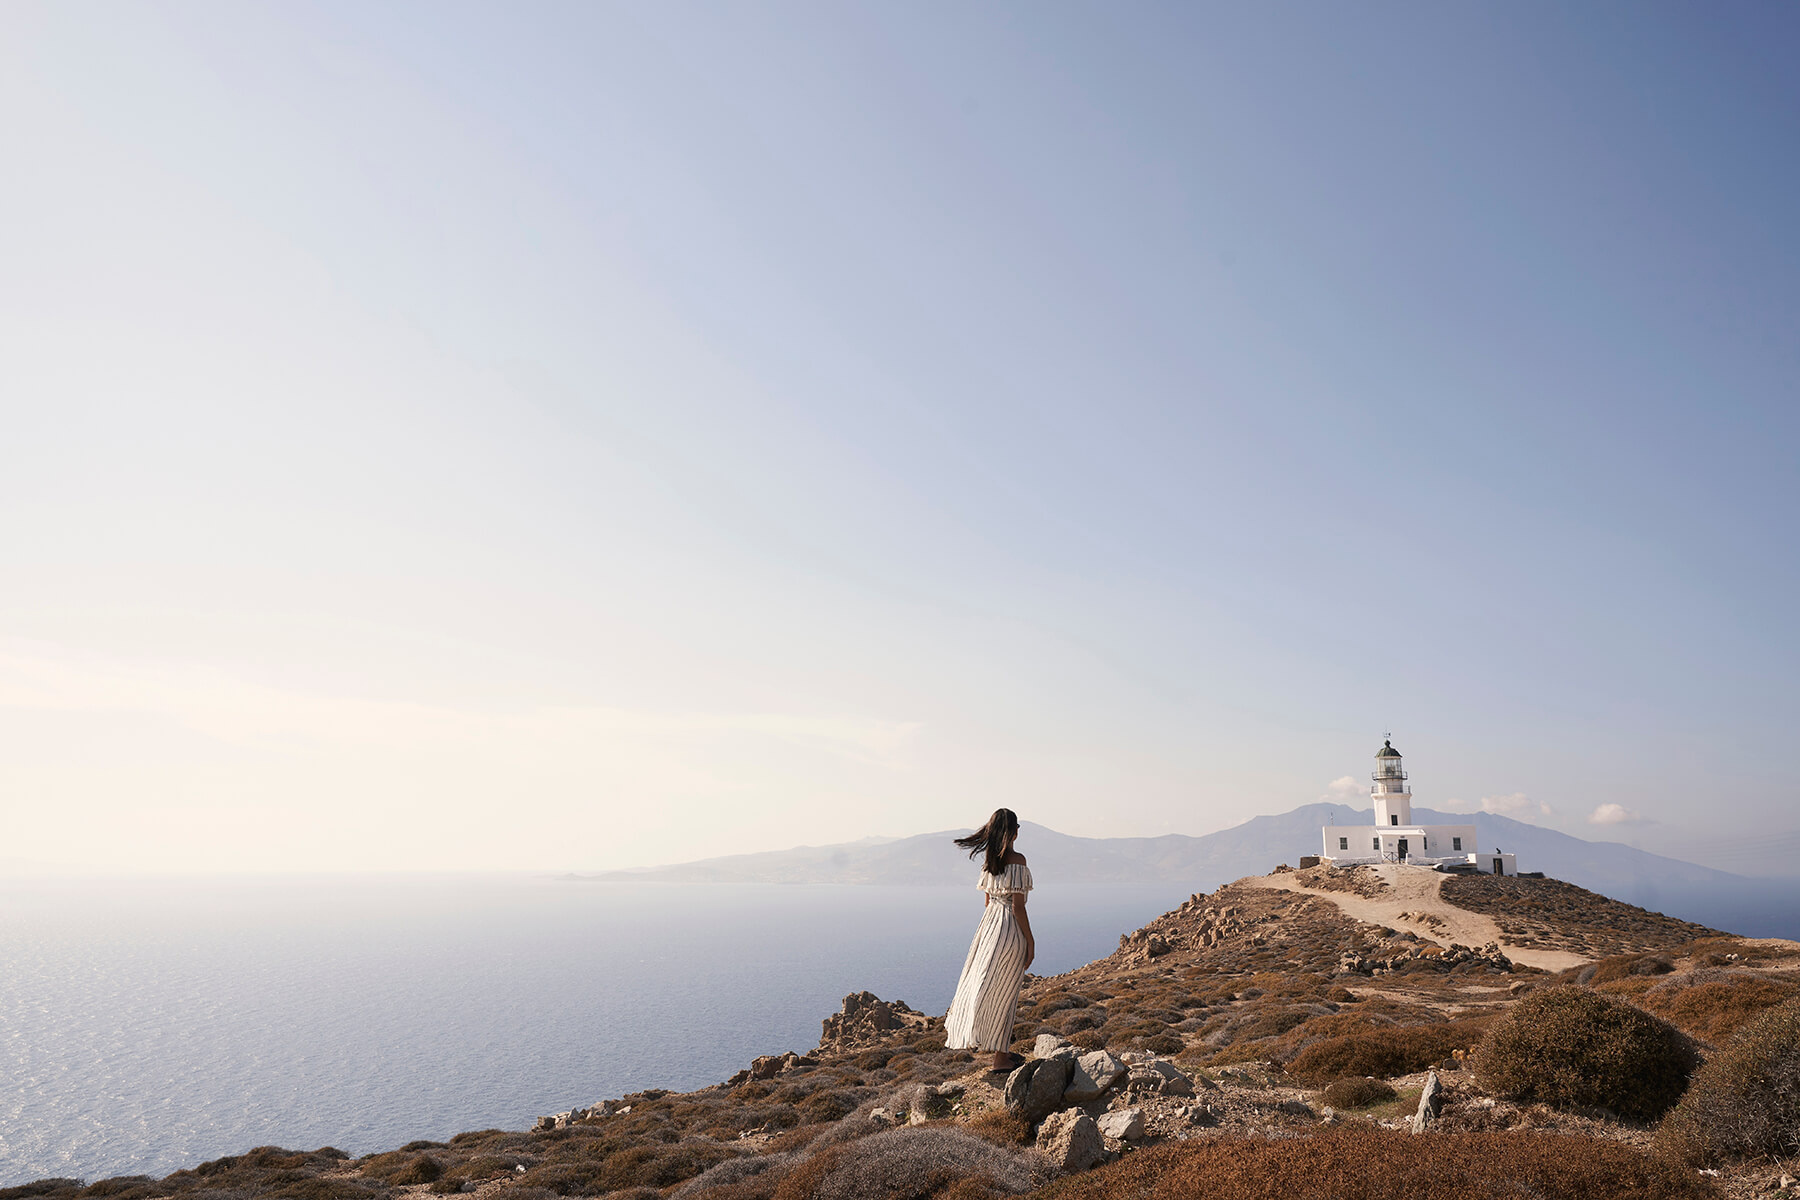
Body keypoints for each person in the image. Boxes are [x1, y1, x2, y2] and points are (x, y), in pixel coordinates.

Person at [943, 808, 1036, 1072]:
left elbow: (987, 902)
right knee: (1007, 991)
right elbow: (1018, 907)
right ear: (1013, 831)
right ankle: (1000, 1057)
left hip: (988, 927)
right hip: (1009, 927)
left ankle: (994, 1049)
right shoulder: (1018, 860)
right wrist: (1030, 940)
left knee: (983, 986)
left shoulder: (989, 863)